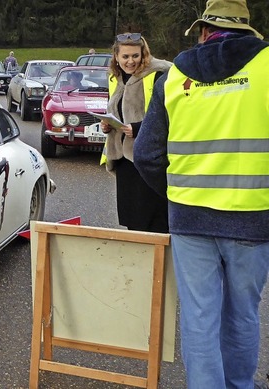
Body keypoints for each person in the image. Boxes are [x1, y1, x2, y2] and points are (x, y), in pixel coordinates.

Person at [132, 1, 269, 388]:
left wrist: (177, 192)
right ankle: (239, 385)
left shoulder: (174, 75)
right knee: (242, 313)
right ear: (248, 29)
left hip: (190, 218)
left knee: (198, 315)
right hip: (253, 218)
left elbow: (146, 153)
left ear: (204, 31)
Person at [100, 32, 171, 233]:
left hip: (148, 156)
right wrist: (107, 125)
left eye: (135, 56)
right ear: (116, 57)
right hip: (124, 158)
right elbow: (115, 110)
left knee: (155, 220)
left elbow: (167, 114)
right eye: (125, 57)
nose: (130, 61)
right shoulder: (115, 78)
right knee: (133, 219)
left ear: (144, 54)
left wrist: (139, 128)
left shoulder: (159, 74)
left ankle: (158, 261)